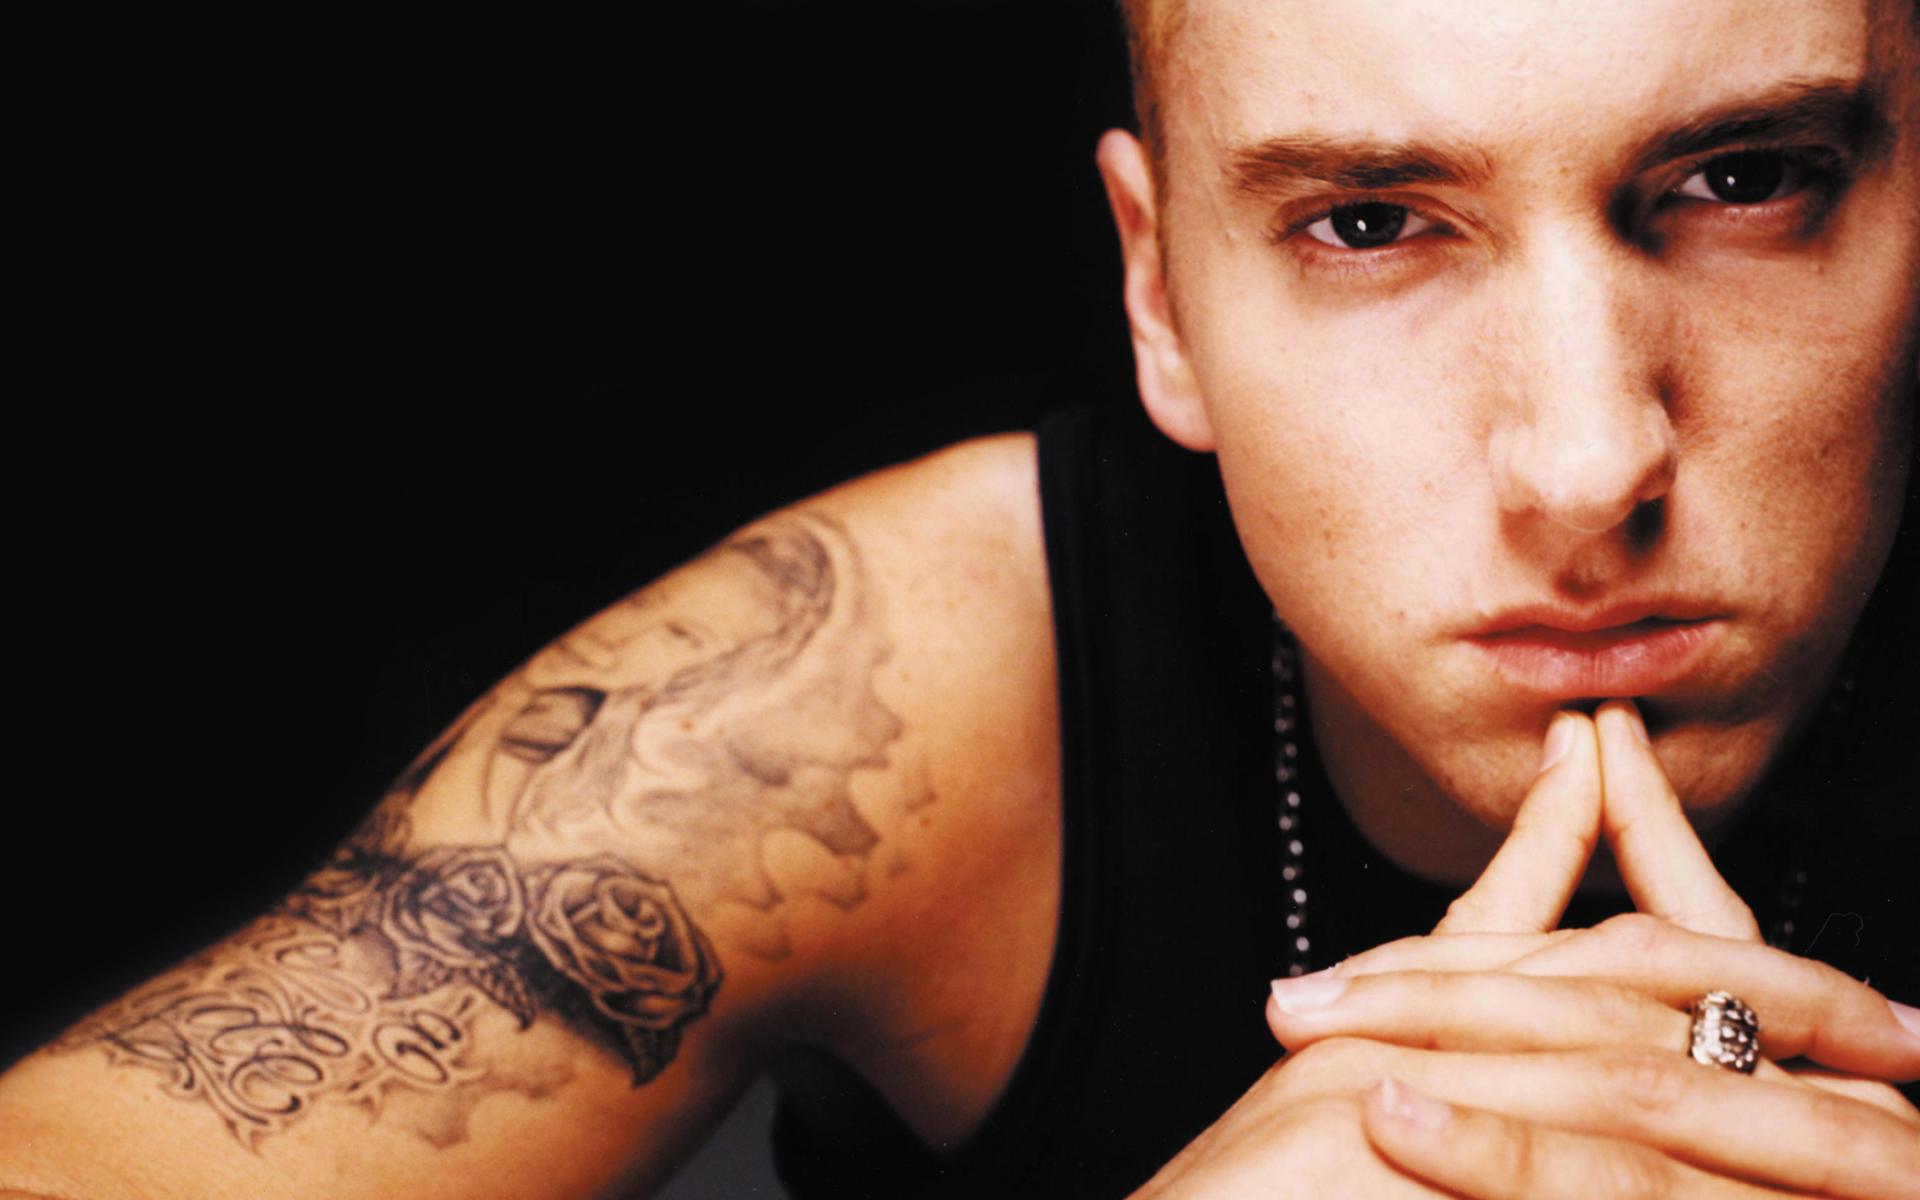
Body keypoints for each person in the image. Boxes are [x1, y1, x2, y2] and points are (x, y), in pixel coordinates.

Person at [5, 0, 1919, 1196]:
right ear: (1161, 294)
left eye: (1750, 179)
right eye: (1367, 223)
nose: (1586, 464)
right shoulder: (854, 710)